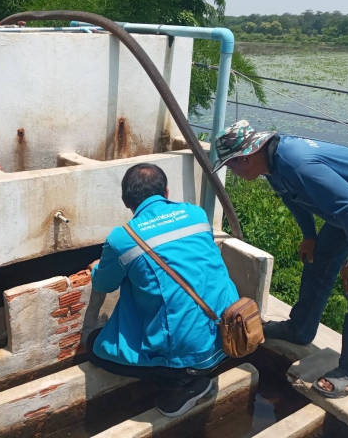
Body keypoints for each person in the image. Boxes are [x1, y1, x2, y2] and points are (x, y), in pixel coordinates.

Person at [212, 120, 348, 398]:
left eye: (230, 165)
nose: (231, 171)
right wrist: (310, 235)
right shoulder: (271, 163)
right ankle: (300, 329)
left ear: (245, 157)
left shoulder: (297, 163)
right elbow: (293, 198)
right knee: (317, 260)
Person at [86, 163, 239, 417]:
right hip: (230, 333)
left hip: (194, 355)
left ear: (125, 201)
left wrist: (96, 269)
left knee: (95, 347)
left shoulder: (122, 238)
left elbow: (104, 284)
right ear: (166, 191)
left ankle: (186, 382)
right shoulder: (197, 214)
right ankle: (189, 367)